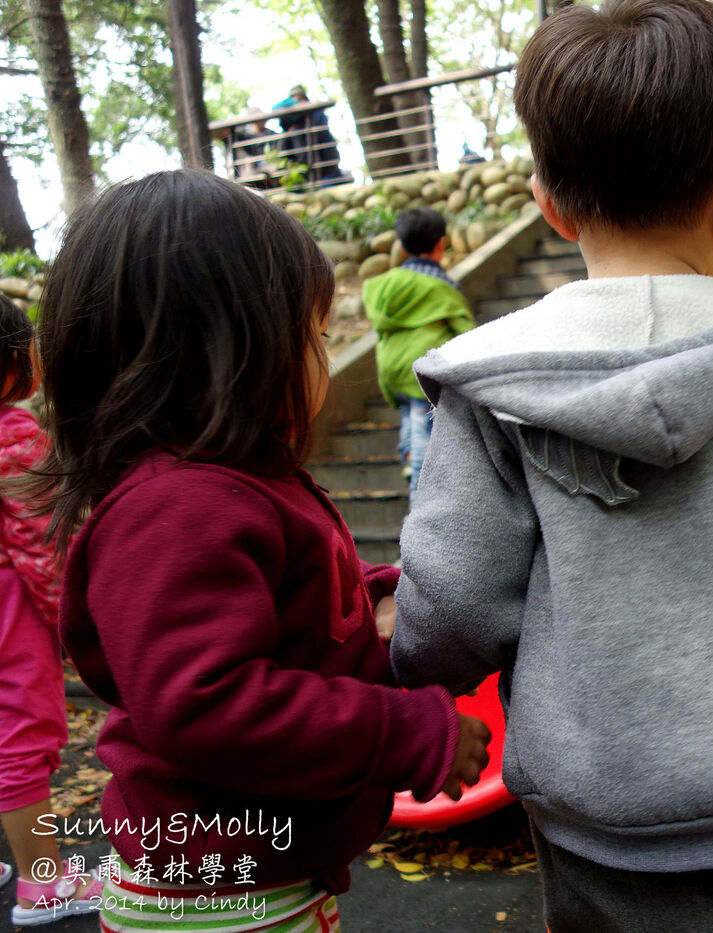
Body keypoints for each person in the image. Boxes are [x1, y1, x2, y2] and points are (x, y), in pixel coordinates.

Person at [389, 0, 713, 929]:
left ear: (549, 202)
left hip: (599, 798)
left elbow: (458, 594)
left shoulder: (491, 386)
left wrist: (416, 666)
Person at [30, 169, 491, 931]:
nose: (319, 352)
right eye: (311, 335)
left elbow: (296, 592)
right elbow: (208, 701)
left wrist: (382, 589)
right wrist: (412, 732)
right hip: (218, 897)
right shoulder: (177, 507)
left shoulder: (234, 487)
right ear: (232, 352)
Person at [0, 294, 104, 927]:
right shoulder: (13, 438)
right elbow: (43, 548)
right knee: (22, 737)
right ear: (15, 365)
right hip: (8, 613)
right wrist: (70, 624)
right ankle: (43, 886)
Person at [362, 208, 475, 500]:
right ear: (441, 244)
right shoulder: (442, 286)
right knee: (424, 428)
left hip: (391, 369)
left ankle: (409, 458)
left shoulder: (381, 286)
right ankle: (419, 494)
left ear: (400, 246)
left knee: (409, 420)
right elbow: (466, 331)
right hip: (421, 371)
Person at [273, 85, 351, 188]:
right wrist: (296, 106)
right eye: (294, 97)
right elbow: (275, 109)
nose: (297, 100)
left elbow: (324, 133)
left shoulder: (316, 112)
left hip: (321, 155)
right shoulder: (288, 116)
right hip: (299, 157)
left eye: (300, 98)